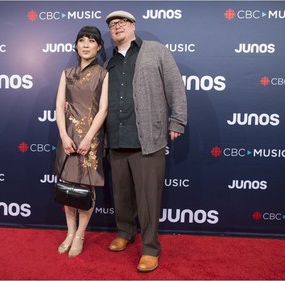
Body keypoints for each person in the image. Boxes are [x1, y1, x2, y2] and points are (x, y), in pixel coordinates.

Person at [104, 11, 187, 272]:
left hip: (148, 139)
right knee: (122, 194)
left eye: (121, 23)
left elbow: (175, 85)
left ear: (132, 26)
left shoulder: (155, 51)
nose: (116, 27)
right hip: (116, 139)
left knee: (149, 198)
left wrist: (177, 121)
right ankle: (125, 232)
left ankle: (150, 248)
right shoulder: (109, 62)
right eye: (112, 25)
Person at [54, 26, 108, 258]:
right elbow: (58, 106)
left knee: (86, 189)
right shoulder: (66, 73)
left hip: (91, 139)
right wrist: (64, 136)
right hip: (67, 138)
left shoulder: (104, 74)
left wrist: (88, 138)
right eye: (82, 40)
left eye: (91, 40)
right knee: (68, 188)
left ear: (99, 46)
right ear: (76, 45)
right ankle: (69, 232)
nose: (86, 44)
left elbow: (103, 109)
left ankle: (80, 235)